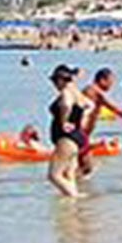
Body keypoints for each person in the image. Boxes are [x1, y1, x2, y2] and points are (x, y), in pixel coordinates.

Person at [46, 66, 89, 199]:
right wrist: (79, 122)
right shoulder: (76, 92)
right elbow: (89, 105)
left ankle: (74, 197)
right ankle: (72, 210)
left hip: (67, 139)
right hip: (76, 137)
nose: (54, 85)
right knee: (68, 174)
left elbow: (66, 105)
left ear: (60, 80)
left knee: (54, 175)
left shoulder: (66, 92)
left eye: (55, 81)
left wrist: (64, 122)